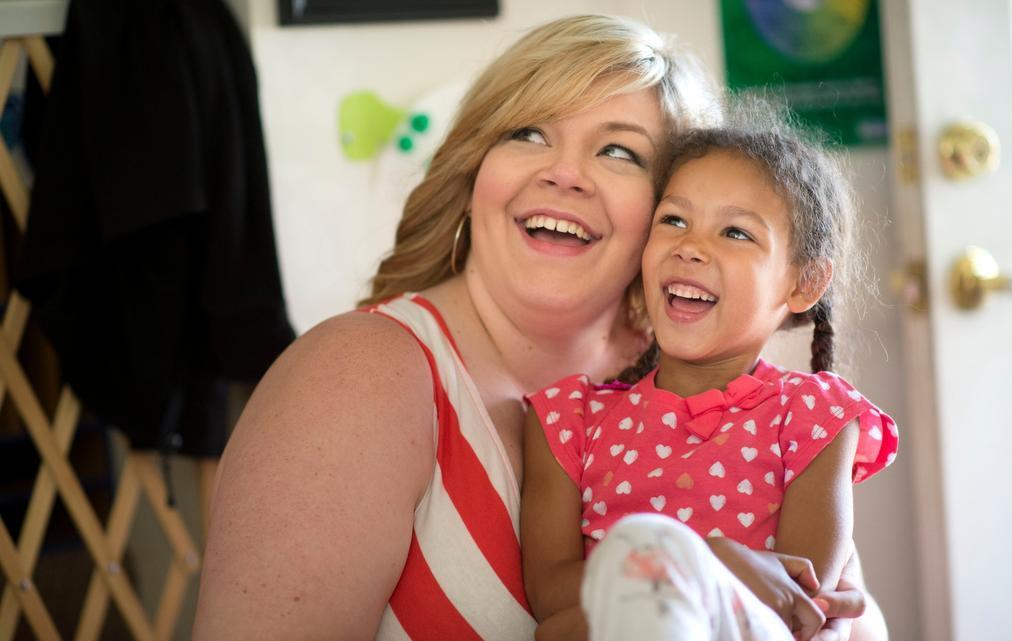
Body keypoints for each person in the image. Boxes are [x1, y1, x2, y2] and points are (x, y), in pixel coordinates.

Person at [192, 15, 886, 641]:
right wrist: (689, 570)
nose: (563, 173)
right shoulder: (354, 376)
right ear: (474, 172)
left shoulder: (708, 386)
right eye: (527, 133)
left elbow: (830, 605)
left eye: (619, 152)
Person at [520, 112, 899, 641]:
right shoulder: (570, 421)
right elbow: (551, 598)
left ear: (804, 282)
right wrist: (707, 563)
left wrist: (696, 572)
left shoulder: (815, 416)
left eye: (735, 232)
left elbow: (802, 596)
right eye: (673, 220)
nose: (690, 246)